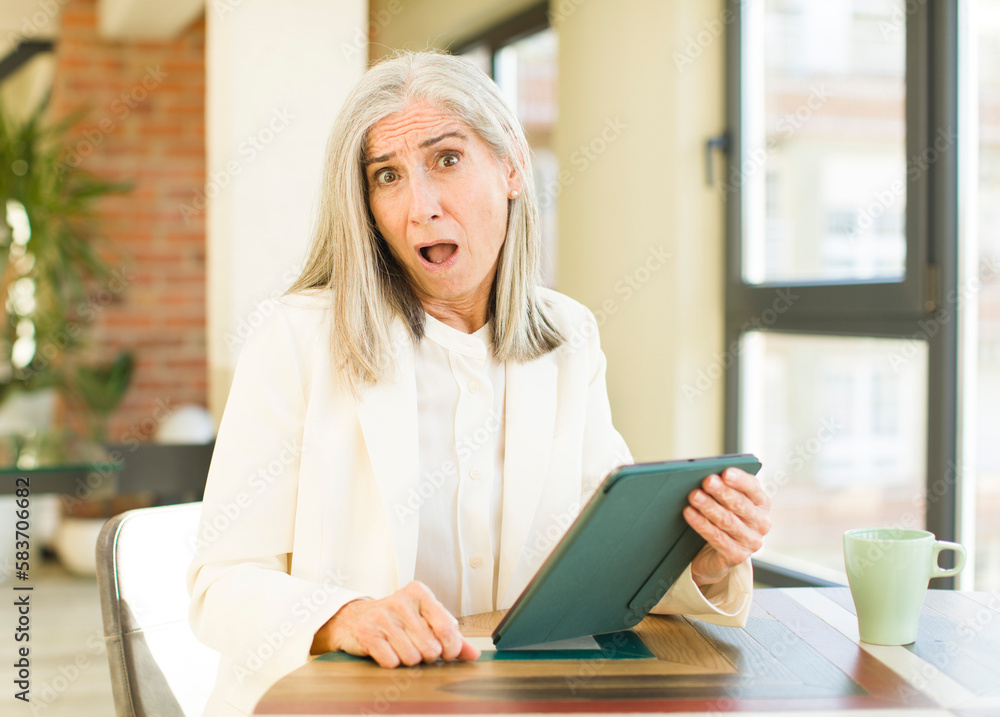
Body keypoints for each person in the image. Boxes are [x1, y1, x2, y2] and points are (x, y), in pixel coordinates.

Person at [187, 50, 771, 717]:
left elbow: (602, 562)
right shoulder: (296, 338)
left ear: (512, 166)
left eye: (447, 159)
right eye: (387, 175)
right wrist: (343, 616)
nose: (421, 208)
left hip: (513, 699)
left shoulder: (569, 336)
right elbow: (218, 584)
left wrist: (703, 561)